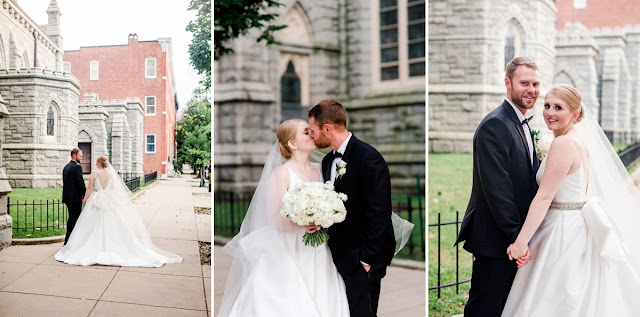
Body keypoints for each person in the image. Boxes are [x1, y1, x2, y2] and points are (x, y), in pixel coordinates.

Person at [502, 85, 640, 316]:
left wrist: (520, 243)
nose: (550, 112)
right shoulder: (577, 141)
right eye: (547, 106)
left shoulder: (563, 144)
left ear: (575, 114)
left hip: (562, 230)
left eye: (558, 107)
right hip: (577, 224)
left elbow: (545, 196)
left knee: (553, 297)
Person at [218, 119, 350, 317]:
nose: (312, 133)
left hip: (319, 249)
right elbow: (274, 217)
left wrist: (326, 214)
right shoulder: (282, 174)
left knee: (321, 292)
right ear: (292, 144)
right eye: (306, 132)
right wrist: (302, 223)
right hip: (290, 247)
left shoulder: (321, 168)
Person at [454, 56, 540, 316]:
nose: (531, 90)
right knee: (485, 307)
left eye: (536, 84)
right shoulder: (495, 124)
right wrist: (517, 239)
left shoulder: (520, 122)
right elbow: (498, 191)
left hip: (513, 239)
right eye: (524, 83)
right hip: (496, 239)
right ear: (507, 83)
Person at [308, 99, 396, 317]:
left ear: (326, 128)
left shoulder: (369, 158)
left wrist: (366, 260)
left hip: (363, 259)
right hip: (337, 255)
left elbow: (380, 212)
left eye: (312, 130)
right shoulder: (327, 161)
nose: (311, 136)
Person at [55, 156, 182, 267]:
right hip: (108, 201)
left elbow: (89, 188)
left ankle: (90, 247)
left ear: (99, 163)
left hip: (97, 200)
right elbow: (113, 189)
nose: (95, 164)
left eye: (96, 162)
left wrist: (85, 199)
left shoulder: (94, 173)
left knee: (90, 224)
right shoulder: (110, 174)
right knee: (114, 224)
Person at [61, 148, 86, 245]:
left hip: (67, 198)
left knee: (71, 219)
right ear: (74, 156)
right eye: (80, 155)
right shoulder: (77, 167)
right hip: (75, 199)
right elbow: (81, 184)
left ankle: (68, 241)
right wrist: (85, 196)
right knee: (75, 219)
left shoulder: (66, 167)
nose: (82, 157)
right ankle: (69, 242)